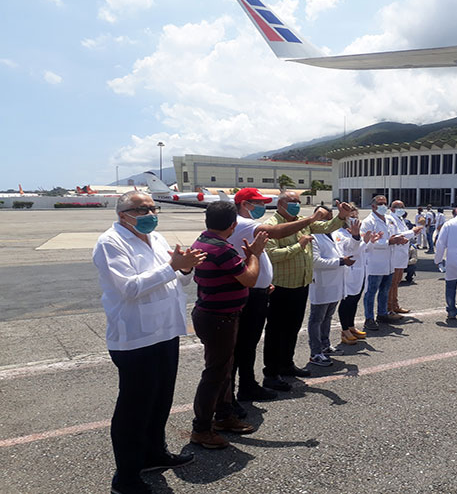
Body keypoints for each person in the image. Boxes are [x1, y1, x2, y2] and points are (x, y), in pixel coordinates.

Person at [93, 191, 206, 494]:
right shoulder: (110, 243)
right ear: (122, 214)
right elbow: (129, 288)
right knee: (134, 406)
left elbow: (178, 279)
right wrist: (172, 268)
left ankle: (154, 453)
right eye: (141, 210)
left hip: (165, 330)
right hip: (135, 336)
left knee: (160, 398)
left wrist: (184, 267)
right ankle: (126, 476)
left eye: (153, 208)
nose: (150, 214)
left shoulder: (156, 238)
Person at [228, 188, 330, 404]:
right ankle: (258, 381)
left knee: (265, 337)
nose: (263, 207)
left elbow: (258, 254)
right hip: (261, 291)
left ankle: (258, 379)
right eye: (258, 202)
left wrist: (338, 217)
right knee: (256, 339)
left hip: (271, 287)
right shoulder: (247, 224)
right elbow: (276, 241)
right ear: (245, 204)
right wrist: (308, 224)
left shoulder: (250, 224)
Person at [189, 201, 267, 449]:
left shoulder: (202, 241)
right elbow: (250, 279)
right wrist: (254, 254)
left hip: (214, 315)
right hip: (219, 318)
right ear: (233, 225)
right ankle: (201, 428)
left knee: (223, 369)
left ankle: (223, 416)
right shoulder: (222, 249)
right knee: (215, 373)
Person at [262, 191, 352, 391]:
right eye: (291, 201)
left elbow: (327, 226)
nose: (295, 204)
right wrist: (298, 245)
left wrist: (342, 216)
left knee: (292, 328)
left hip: (301, 284)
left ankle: (287, 364)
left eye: (297, 201)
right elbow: (272, 255)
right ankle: (271, 373)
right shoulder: (272, 225)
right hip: (281, 287)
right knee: (276, 331)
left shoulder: (303, 221)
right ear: (280, 205)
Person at [308, 206, 359, 365]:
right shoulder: (312, 236)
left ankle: (325, 345)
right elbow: (315, 262)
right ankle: (315, 352)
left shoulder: (335, 233)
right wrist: (341, 261)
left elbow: (350, 248)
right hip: (322, 284)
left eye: (329, 217)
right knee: (317, 319)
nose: (327, 220)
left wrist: (356, 236)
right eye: (323, 217)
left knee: (328, 317)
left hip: (336, 283)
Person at [361, 195, 409, 331]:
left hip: (389, 262)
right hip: (375, 262)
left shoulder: (388, 220)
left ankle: (382, 314)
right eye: (380, 204)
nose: (383, 206)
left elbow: (394, 234)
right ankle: (369, 318)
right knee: (371, 292)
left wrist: (399, 239)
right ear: (373, 206)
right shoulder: (368, 222)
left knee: (385, 290)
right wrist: (389, 242)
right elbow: (367, 242)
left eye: (385, 204)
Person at [334, 205, 378, 343]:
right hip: (349, 272)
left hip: (361, 271)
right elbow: (348, 251)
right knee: (347, 301)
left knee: (355, 301)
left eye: (356, 216)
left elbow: (365, 251)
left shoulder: (357, 233)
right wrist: (358, 238)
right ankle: (344, 330)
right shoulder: (339, 233)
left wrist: (370, 242)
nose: (354, 219)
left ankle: (351, 326)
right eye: (351, 217)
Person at [388, 200, 423, 316]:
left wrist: (413, 233)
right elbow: (395, 236)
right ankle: (390, 307)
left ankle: (395, 305)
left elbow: (404, 235)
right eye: (398, 207)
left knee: (397, 281)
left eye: (403, 207)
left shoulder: (400, 219)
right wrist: (412, 232)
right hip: (395, 254)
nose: (401, 209)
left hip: (402, 254)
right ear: (392, 209)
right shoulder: (390, 219)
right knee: (392, 283)